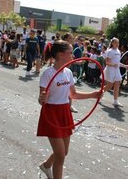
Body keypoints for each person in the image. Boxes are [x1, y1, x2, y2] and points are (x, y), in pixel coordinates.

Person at [37, 40, 101, 179]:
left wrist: (93, 94)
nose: (73, 55)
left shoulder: (68, 73)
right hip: (52, 113)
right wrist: (42, 98)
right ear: (61, 55)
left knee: (64, 151)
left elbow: (73, 94)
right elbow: (42, 99)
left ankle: (46, 166)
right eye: (70, 53)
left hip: (65, 112)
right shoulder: (48, 74)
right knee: (60, 155)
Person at [103, 38, 128, 107]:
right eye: (115, 43)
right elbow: (107, 62)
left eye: (118, 43)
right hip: (110, 70)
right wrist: (113, 65)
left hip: (116, 70)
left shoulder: (118, 51)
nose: (117, 44)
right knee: (109, 85)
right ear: (112, 43)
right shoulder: (109, 51)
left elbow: (118, 62)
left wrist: (125, 66)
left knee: (117, 84)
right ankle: (99, 93)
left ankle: (115, 101)